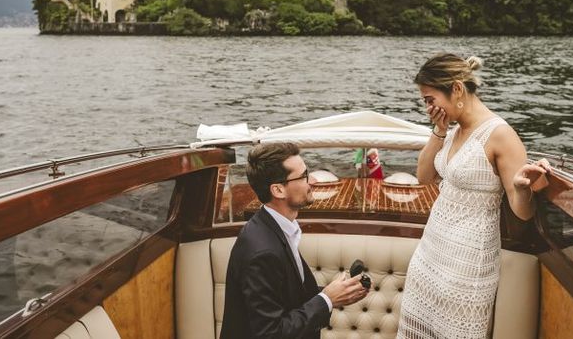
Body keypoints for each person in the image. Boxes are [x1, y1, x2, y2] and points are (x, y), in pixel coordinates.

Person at [397, 53, 551, 339]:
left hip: (466, 265)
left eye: (430, 99)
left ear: (456, 89)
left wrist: (521, 188)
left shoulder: (500, 135)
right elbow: (425, 177)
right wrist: (439, 131)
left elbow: (523, 212)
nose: (428, 107)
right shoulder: (453, 131)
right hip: (430, 254)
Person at [221, 142, 368, 339]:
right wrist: (327, 299)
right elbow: (270, 333)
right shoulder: (262, 252)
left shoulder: (273, 228)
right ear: (278, 190)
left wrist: (337, 292)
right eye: (304, 175)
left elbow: (285, 296)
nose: (313, 181)